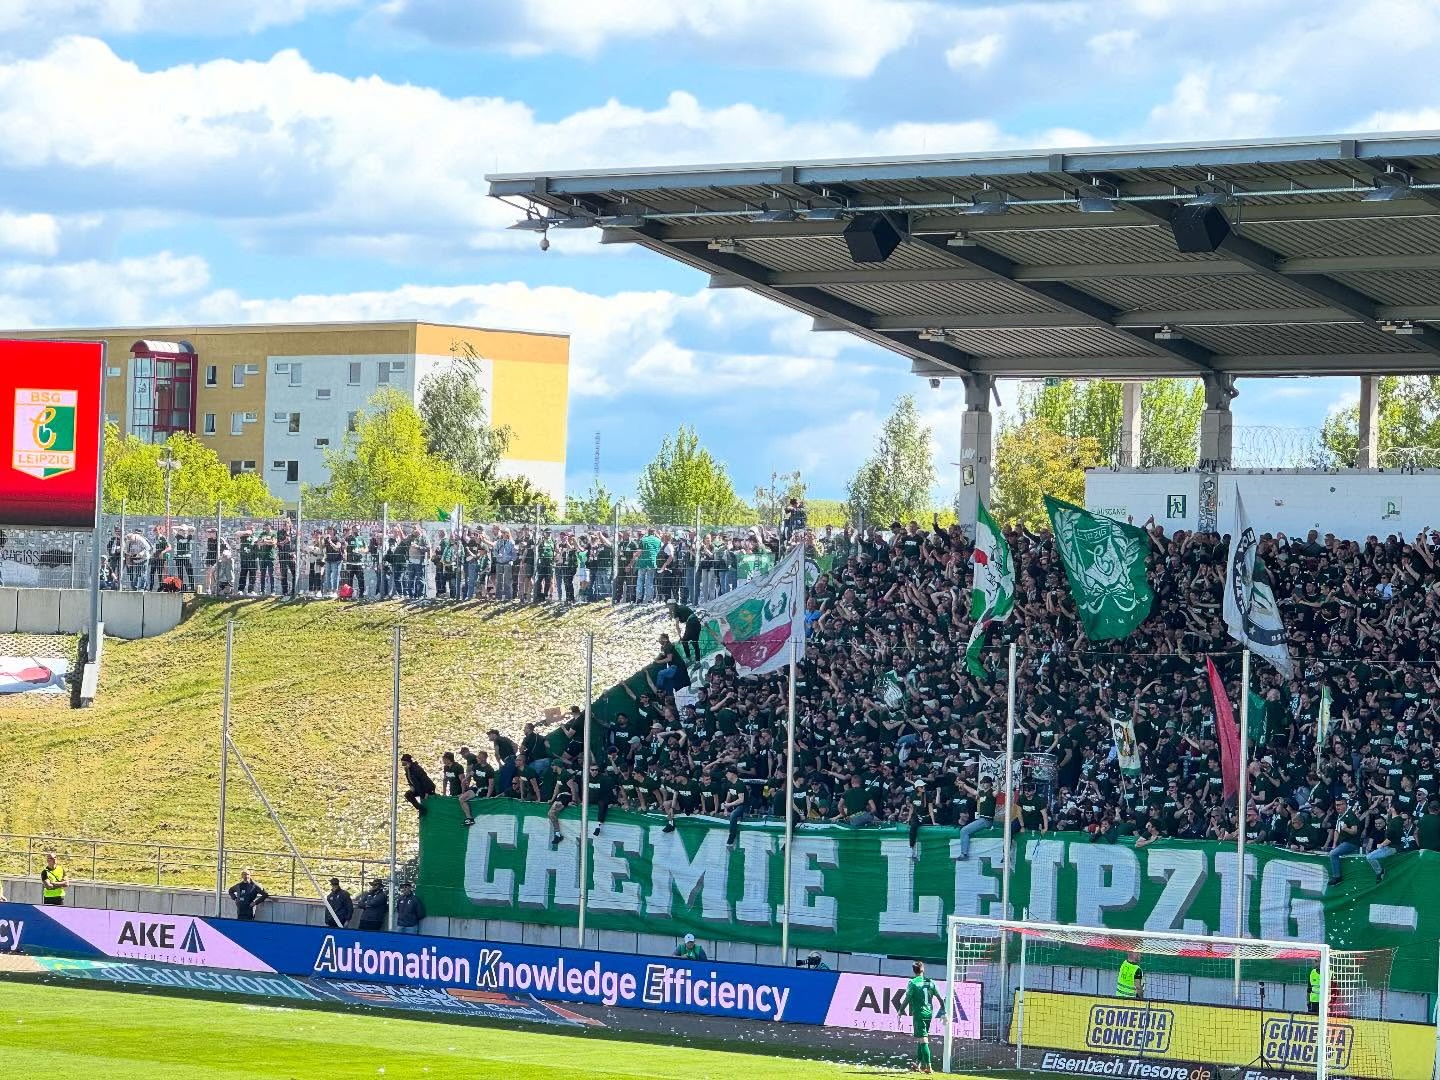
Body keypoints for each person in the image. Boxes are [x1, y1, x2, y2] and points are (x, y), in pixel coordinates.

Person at [905, 959, 943, 1074]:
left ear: (913, 971)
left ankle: (929, 1067)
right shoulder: (930, 982)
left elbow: (907, 999)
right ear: (923, 970)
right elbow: (940, 997)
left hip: (919, 1014)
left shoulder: (913, 982)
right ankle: (918, 1064)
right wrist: (944, 1011)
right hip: (928, 1014)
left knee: (923, 1040)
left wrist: (901, 1010)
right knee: (922, 1039)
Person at [1328, 794, 1362, 885]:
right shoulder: (1340, 816)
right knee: (1333, 851)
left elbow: (1355, 831)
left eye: (1339, 805)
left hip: (1352, 842)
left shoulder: (1350, 815)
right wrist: (1334, 844)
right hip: (1343, 842)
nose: (1337, 807)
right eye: (1336, 805)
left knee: (1333, 854)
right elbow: (1337, 831)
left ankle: (1337, 876)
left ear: (1345, 805)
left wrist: (1346, 829)